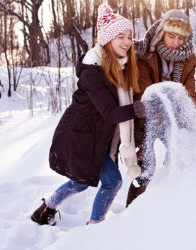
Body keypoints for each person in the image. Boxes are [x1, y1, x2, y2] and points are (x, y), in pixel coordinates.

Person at [31, 4, 146, 225]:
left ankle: (44, 211)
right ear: (106, 40)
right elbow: (111, 113)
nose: (127, 42)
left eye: (129, 37)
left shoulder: (120, 65)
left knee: (80, 182)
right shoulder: (92, 71)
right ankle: (94, 230)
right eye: (120, 37)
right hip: (79, 136)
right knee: (111, 182)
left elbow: (149, 44)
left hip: (94, 137)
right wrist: (139, 109)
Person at [125, 9, 196, 207]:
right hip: (147, 118)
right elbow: (144, 92)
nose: (176, 42)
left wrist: (187, 121)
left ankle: (171, 208)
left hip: (172, 118)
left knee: (179, 160)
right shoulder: (146, 56)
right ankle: (131, 212)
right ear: (161, 33)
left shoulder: (189, 60)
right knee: (146, 169)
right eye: (171, 36)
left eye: (181, 38)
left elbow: (189, 93)